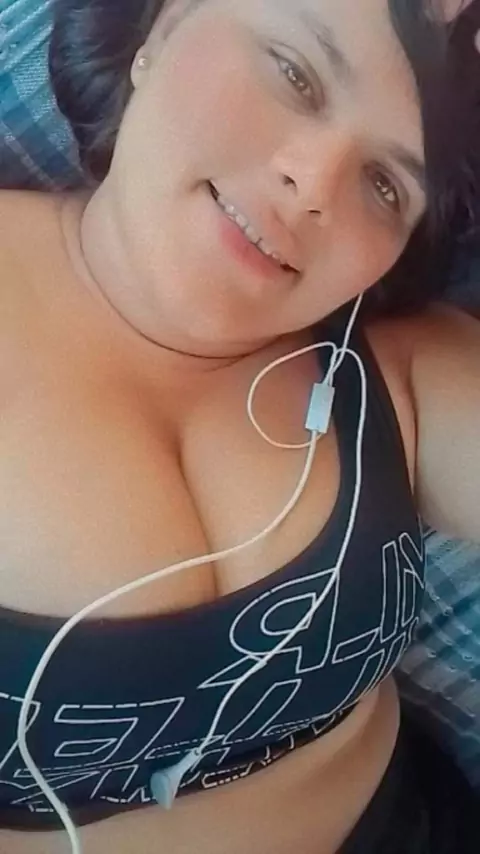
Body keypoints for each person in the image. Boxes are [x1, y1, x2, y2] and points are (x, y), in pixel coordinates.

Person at [0, 1, 479, 854]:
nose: (313, 185)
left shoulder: (396, 371)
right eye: (295, 73)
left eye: (384, 184)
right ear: (161, 27)